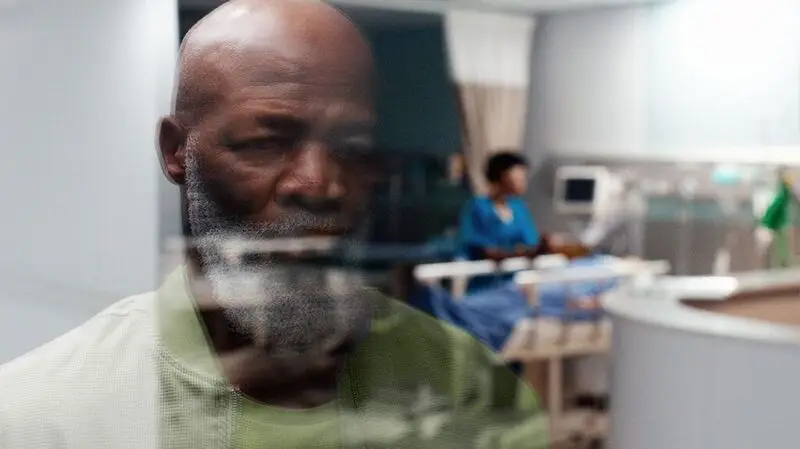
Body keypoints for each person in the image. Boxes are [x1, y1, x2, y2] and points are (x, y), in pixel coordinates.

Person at [0, 1, 546, 448]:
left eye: (351, 148)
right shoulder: (40, 420)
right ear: (176, 152)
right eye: (265, 142)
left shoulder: (473, 396)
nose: (318, 184)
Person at [458, 151, 546, 291]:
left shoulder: (519, 208)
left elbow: (531, 243)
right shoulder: (478, 207)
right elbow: (485, 251)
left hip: (516, 287)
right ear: (501, 175)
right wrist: (519, 253)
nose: (523, 180)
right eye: (517, 175)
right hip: (485, 288)